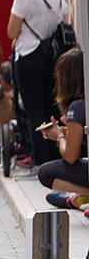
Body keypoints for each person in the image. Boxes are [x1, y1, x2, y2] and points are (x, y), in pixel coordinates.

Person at [6, 0, 70, 168]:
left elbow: (12, 32)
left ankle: (40, 160)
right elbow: (64, 26)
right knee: (53, 107)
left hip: (28, 56)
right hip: (52, 58)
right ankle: (57, 154)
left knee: (34, 110)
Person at [36, 50, 89, 209]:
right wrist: (67, 132)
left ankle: (82, 195)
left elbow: (71, 156)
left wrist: (59, 136)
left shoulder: (77, 106)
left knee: (45, 173)